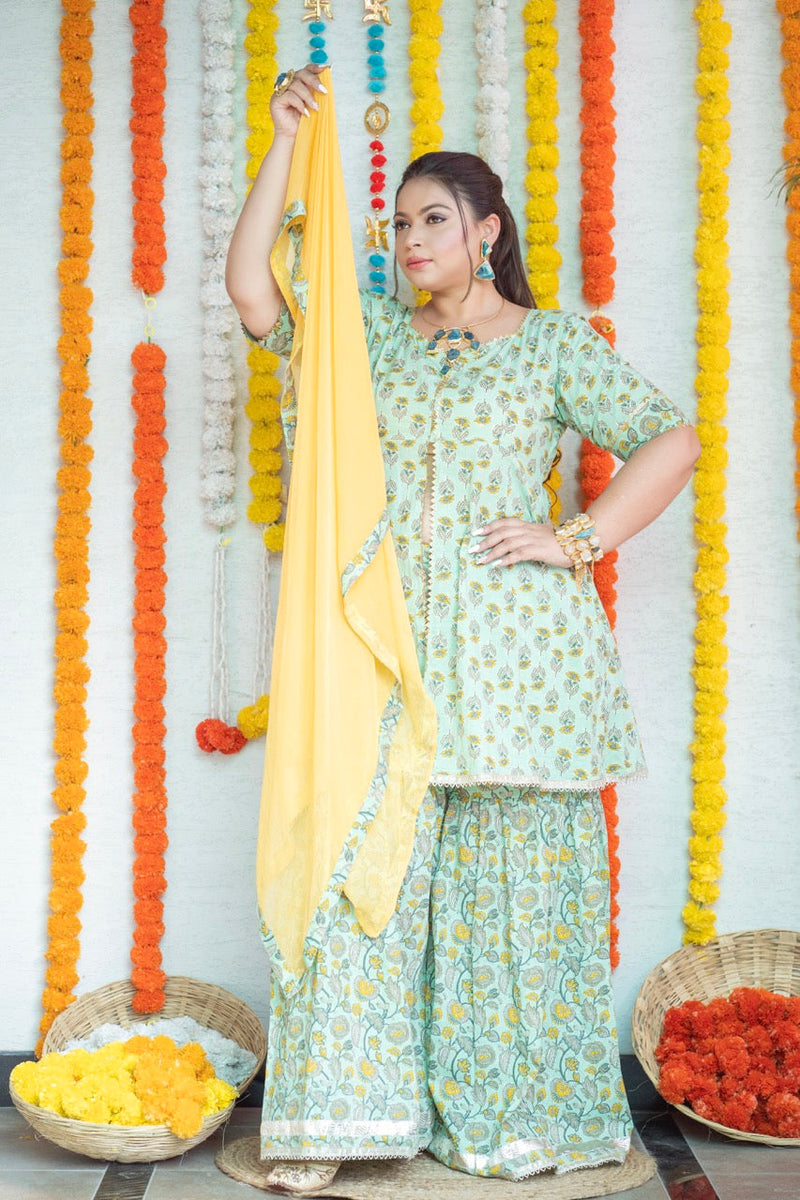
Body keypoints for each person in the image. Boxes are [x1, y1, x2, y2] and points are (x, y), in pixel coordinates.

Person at [226, 64, 700, 1195]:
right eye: (397, 224)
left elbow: (669, 439)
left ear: (487, 231)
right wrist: (285, 141)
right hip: (381, 657)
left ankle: (511, 1120)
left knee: (510, 899)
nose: (407, 241)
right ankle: (340, 1124)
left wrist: (576, 538)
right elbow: (251, 292)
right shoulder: (369, 343)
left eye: (431, 220)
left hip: (515, 664)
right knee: (361, 881)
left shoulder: (550, 346)